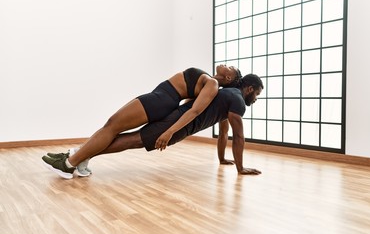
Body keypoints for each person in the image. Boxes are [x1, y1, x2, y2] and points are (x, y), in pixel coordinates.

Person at [42, 74, 264, 177]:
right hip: (178, 124)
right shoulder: (235, 99)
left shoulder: (228, 96)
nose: (255, 99)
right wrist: (240, 168)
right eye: (257, 95)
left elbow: (224, 132)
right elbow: (239, 136)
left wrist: (222, 159)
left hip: (175, 118)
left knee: (126, 136)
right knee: (130, 139)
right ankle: (76, 157)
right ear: (249, 89)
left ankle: (78, 156)